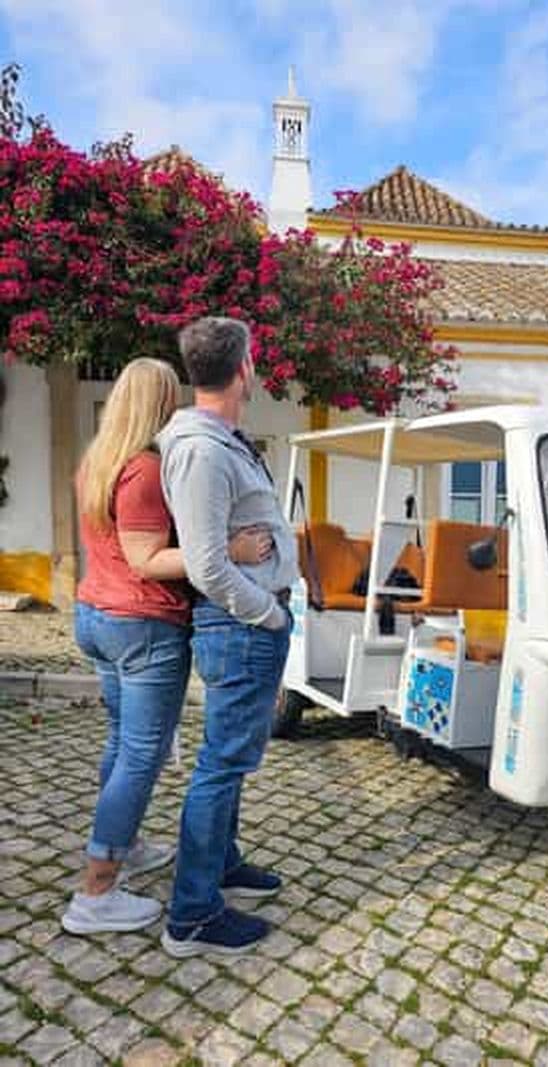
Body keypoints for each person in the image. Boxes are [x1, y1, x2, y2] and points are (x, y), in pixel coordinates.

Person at [62, 358, 270, 936]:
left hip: (97, 616)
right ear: (158, 403)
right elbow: (146, 559)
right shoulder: (146, 469)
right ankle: (97, 892)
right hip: (143, 626)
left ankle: (119, 848)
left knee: (121, 745)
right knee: (140, 757)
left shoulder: (97, 463)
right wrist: (230, 549)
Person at [158, 317, 298, 957]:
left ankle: (220, 863)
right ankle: (191, 915)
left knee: (232, 758)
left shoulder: (222, 441)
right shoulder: (201, 450)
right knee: (221, 764)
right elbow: (208, 563)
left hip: (249, 621)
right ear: (242, 369)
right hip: (242, 625)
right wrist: (268, 614)